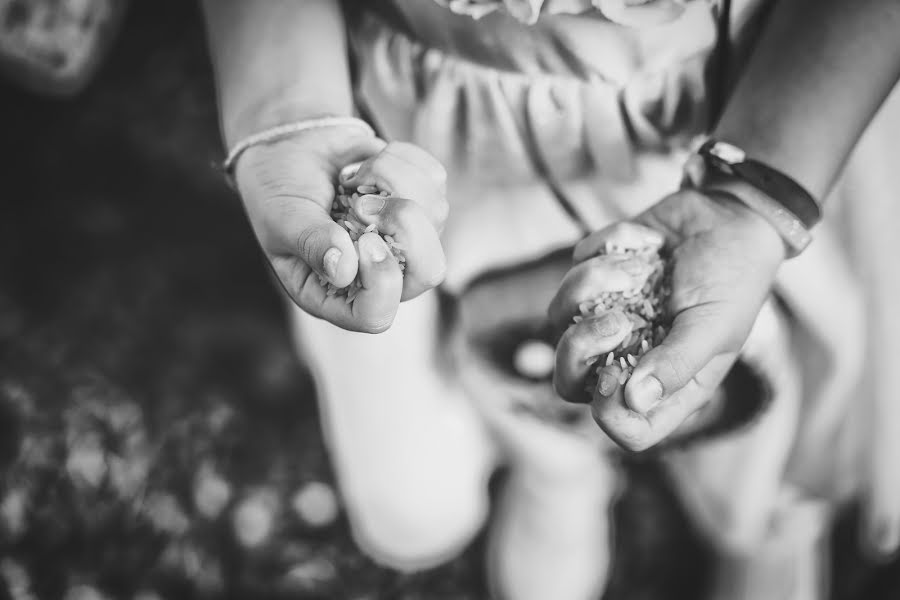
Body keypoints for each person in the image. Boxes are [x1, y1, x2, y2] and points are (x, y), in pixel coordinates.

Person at [202, 1, 900, 598]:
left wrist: (754, 199)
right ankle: (556, 468)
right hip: (430, 121)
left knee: (739, 346)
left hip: (747, 105)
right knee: (511, 345)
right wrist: (290, 112)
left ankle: (757, 514)